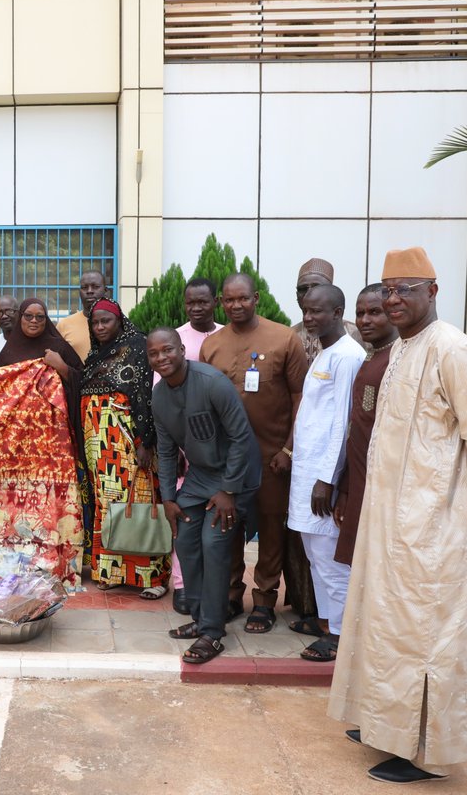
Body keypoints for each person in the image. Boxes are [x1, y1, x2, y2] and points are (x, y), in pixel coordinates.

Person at [328, 247, 467, 784]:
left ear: (432, 291)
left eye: (405, 288)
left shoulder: (451, 349)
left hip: (430, 527)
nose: (392, 299)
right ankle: (387, 726)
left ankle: (427, 754)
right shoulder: (404, 349)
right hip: (388, 521)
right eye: (387, 289)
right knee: (387, 628)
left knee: (426, 634)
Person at [200, 273, 309, 633]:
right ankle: (232, 595)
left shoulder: (284, 338)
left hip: (271, 457)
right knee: (227, 527)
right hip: (226, 460)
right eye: (229, 300)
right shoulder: (212, 344)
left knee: (270, 529)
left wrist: (289, 449)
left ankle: (264, 600)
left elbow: (300, 398)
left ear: (256, 297)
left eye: (242, 298)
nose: (236, 305)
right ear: (221, 303)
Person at [149, 326, 260, 664]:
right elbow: (167, 452)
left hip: (235, 475)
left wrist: (228, 490)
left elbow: (242, 438)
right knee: (184, 539)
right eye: (154, 353)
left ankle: (213, 633)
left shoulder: (212, 383)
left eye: (167, 350)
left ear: (182, 349)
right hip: (199, 476)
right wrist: (168, 498)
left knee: (214, 544)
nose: (161, 358)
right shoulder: (160, 396)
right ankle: (200, 616)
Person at [286, 285, 365, 663]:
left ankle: (340, 636)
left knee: (330, 559)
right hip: (307, 473)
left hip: (322, 477)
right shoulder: (325, 352)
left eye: (318, 311)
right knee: (316, 555)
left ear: (338, 312)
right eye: (306, 311)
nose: (309, 318)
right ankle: (326, 623)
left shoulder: (347, 356)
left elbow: (343, 424)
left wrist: (327, 480)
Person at [80, 298, 167, 599]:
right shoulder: (95, 355)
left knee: (139, 502)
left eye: (107, 321)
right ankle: (112, 571)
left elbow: (146, 394)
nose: (101, 327)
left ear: (119, 321)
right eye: (96, 322)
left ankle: (151, 577)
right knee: (108, 505)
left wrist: (146, 442)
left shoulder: (137, 347)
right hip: (99, 447)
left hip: (127, 443)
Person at [157, 276, 223, 615]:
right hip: (184, 451)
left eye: (203, 301)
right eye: (190, 302)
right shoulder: (175, 339)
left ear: (216, 301)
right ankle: (183, 586)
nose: (196, 308)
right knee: (183, 521)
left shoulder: (226, 337)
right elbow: (164, 400)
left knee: (218, 528)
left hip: (219, 451)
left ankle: (219, 591)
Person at [331, 284, 398, 566]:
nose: (365, 320)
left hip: (385, 487)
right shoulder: (370, 356)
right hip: (360, 479)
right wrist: (345, 489)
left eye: (374, 312)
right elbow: (356, 428)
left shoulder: (398, 360)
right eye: (360, 313)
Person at [0, 297, 85, 454]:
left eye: (40, 317)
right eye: (28, 316)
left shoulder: (59, 347)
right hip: (17, 433)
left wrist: (62, 367)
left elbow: (84, 381)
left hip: (54, 434)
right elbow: (0, 393)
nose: (34, 321)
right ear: (20, 318)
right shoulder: (8, 353)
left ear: (46, 319)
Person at [291, 258, 365, 364]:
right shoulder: (289, 337)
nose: (309, 293)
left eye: (317, 287)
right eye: (303, 289)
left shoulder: (357, 334)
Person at [56, 270, 110, 362]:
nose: (89, 291)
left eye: (95, 287)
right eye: (84, 287)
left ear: (105, 291)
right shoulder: (64, 325)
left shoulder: (117, 324)